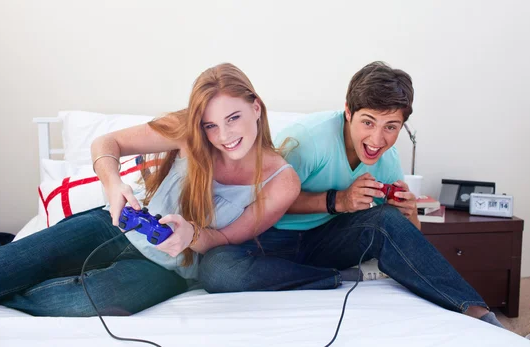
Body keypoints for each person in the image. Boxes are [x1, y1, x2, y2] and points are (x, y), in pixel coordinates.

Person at [198, 61, 505, 328]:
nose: (377, 139)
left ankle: (477, 312)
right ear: (348, 111)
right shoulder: (307, 140)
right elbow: (261, 203)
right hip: (270, 236)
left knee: (384, 219)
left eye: (391, 127)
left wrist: (409, 213)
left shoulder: (389, 159)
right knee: (215, 269)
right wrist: (339, 201)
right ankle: (332, 278)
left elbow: (407, 240)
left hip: (326, 240)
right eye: (368, 122)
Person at [0, 63, 300, 317]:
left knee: (85, 299)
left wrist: (190, 235)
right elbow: (107, 143)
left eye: (234, 118)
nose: (224, 136)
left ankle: (15, 287)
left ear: (256, 107)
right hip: (112, 227)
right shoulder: (188, 131)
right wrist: (113, 184)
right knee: (4, 268)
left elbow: (223, 240)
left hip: (169, 269)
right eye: (211, 126)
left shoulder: (282, 182)